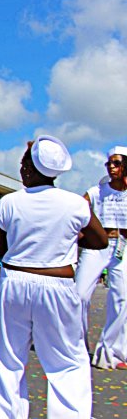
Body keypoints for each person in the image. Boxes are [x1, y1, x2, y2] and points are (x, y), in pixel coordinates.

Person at [0, 136, 108, 419]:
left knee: (7, 362)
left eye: (24, 163)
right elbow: (100, 241)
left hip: (15, 284)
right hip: (57, 286)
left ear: (29, 168)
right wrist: (68, 236)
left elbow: (0, 249)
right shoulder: (75, 205)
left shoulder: (8, 204)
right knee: (67, 365)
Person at [75, 146, 127, 369]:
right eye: (109, 164)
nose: (111, 167)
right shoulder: (97, 191)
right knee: (79, 295)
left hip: (123, 246)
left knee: (122, 299)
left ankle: (111, 352)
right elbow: (77, 210)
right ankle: (75, 347)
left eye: (116, 163)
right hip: (98, 244)